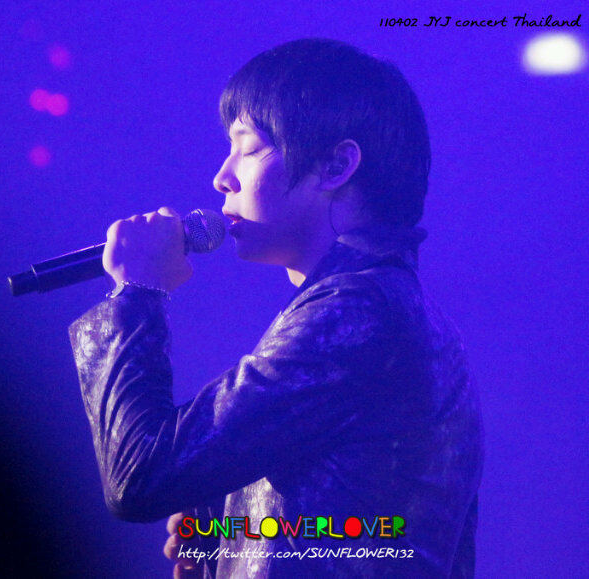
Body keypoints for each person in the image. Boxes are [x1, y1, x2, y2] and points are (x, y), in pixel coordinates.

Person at [69, 38, 484, 578]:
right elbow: (365, 527)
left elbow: (139, 475)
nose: (222, 177)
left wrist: (138, 292)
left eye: (247, 147)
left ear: (336, 165)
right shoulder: (378, 306)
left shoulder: (359, 313)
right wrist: (229, 533)